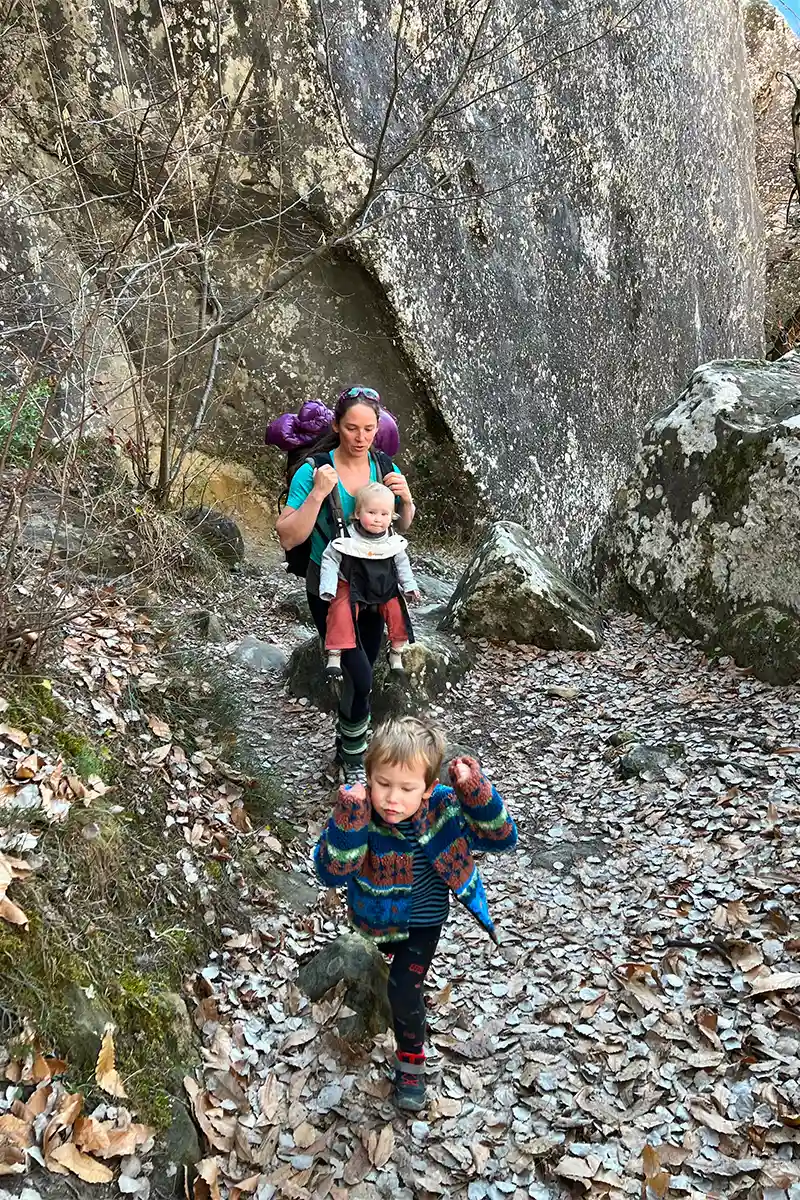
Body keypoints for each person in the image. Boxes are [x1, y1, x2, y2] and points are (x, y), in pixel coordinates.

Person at [313, 716, 518, 1112]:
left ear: (427, 789)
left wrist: (473, 791)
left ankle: (412, 1062)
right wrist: (348, 819)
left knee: (403, 989)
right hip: (375, 920)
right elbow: (331, 871)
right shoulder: (361, 812)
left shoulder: (441, 808)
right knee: (393, 982)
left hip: (423, 924)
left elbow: (502, 835)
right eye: (383, 784)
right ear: (368, 779)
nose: (392, 798)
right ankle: (408, 1015)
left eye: (407, 788)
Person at [276, 387, 416, 786]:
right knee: (362, 675)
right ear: (337, 426)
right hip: (331, 587)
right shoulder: (314, 470)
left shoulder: (383, 465)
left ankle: (347, 747)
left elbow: (400, 528)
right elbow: (288, 536)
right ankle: (355, 759)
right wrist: (319, 493)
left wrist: (405, 502)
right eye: (352, 427)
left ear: (378, 429)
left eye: (368, 428)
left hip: (376, 585)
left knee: (364, 670)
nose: (360, 437)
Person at [319, 482, 420, 679]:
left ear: (392, 517)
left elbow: (402, 564)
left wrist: (410, 586)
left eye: (384, 514)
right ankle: (335, 653)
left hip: (384, 584)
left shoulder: (393, 540)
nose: (377, 519)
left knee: (398, 610)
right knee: (340, 608)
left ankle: (397, 651)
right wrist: (328, 587)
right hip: (351, 581)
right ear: (358, 513)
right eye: (372, 512)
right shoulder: (345, 536)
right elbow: (330, 559)